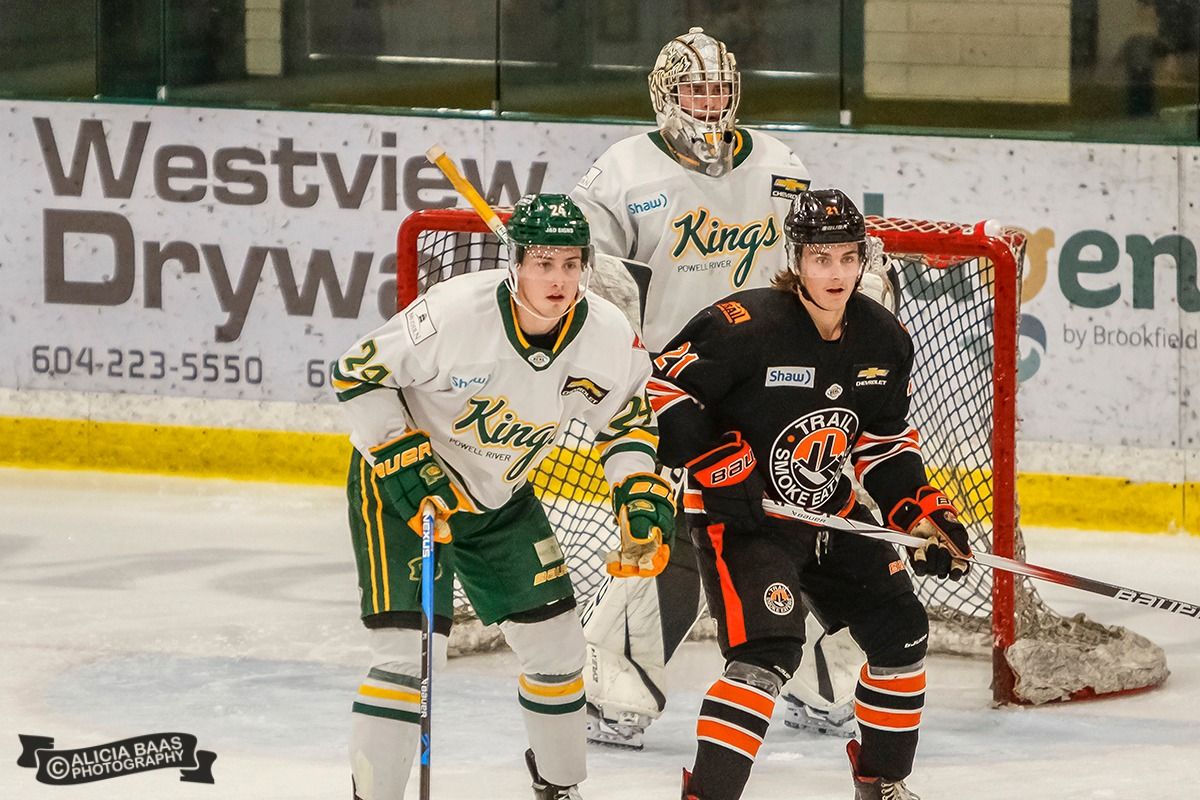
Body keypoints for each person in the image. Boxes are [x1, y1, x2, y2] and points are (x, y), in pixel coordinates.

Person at [569, 26, 873, 748]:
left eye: (717, 90)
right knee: (671, 530)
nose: (708, 105)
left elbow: (815, 249)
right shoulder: (621, 173)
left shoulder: (776, 162)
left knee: (799, 516)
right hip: (676, 380)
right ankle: (618, 689)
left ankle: (827, 682)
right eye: (694, 91)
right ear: (664, 94)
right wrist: (595, 290)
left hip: (775, 376)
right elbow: (578, 273)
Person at [331, 194, 675, 800]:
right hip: (403, 491)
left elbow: (627, 421)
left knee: (557, 650)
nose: (558, 280)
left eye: (571, 265)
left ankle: (558, 786)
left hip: (499, 495)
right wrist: (408, 465)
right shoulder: (454, 312)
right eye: (544, 263)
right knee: (404, 656)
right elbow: (357, 374)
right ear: (515, 262)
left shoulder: (605, 333)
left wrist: (639, 495)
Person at [647, 189, 973, 800]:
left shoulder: (882, 340)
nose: (837, 273)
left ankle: (881, 782)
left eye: (848, 257)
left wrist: (923, 514)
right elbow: (664, 391)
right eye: (822, 258)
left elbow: (883, 445)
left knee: (902, 630)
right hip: (745, 518)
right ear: (797, 259)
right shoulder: (745, 324)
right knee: (768, 652)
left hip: (829, 510)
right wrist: (715, 461)